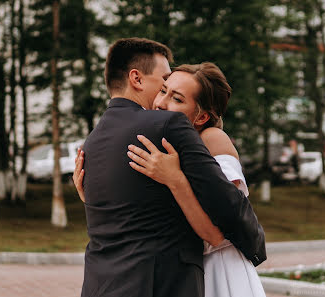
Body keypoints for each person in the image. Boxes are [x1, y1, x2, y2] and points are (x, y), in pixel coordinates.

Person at [77, 37, 266, 297]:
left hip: (216, 270)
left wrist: (175, 179)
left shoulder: (94, 140)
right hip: (168, 279)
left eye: (175, 96)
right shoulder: (163, 129)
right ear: (136, 78)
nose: (161, 101)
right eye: (163, 86)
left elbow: (229, 222)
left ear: (202, 116)